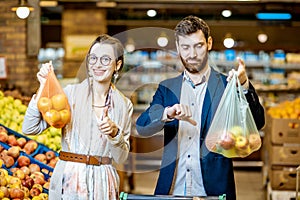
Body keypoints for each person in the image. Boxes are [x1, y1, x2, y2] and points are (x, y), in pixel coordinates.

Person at [136, 15, 265, 200]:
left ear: (209, 43)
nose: (192, 54)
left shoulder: (225, 85)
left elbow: (258, 122)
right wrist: (166, 113)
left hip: (214, 190)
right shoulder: (167, 88)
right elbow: (142, 126)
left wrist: (243, 85)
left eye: (198, 45)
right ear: (178, 47)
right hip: (173, 189)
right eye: (185, 47)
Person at [22, 34, 133, 199]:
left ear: (117, 65)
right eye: (93, 58)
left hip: (103, 183)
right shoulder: (70, 94)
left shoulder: (123, 105)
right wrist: (42, 88)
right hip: (68, 179)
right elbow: (30, 128)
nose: (97, 64)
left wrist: (114, 133)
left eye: (105, 59)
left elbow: (121, 157)